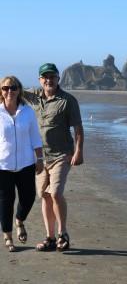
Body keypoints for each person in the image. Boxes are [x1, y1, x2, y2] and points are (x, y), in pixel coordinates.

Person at [24, 63, 84, 251]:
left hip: (61, 156)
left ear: (58, 79)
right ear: (40, 80)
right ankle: (50, 238)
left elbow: (78, 128)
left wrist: (78, 151)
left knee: (55, 193)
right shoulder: (33, 97)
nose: (49, 80)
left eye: (52, 77)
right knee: (44, 195)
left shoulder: (67, 100)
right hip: (40, 157)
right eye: (45, 77)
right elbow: (11, 89)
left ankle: (63, 233)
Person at [0, 76, 43, 252]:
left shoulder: (28, 112)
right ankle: (8, 236)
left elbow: (35, 137)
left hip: (26, 163)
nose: (9, 91)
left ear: (19, 90)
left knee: (29, 197)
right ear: (1, 91)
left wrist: (39, 159)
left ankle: (20, 220)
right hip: (3, 165)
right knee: (5, 201)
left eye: (13, 87)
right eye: (5, 88)